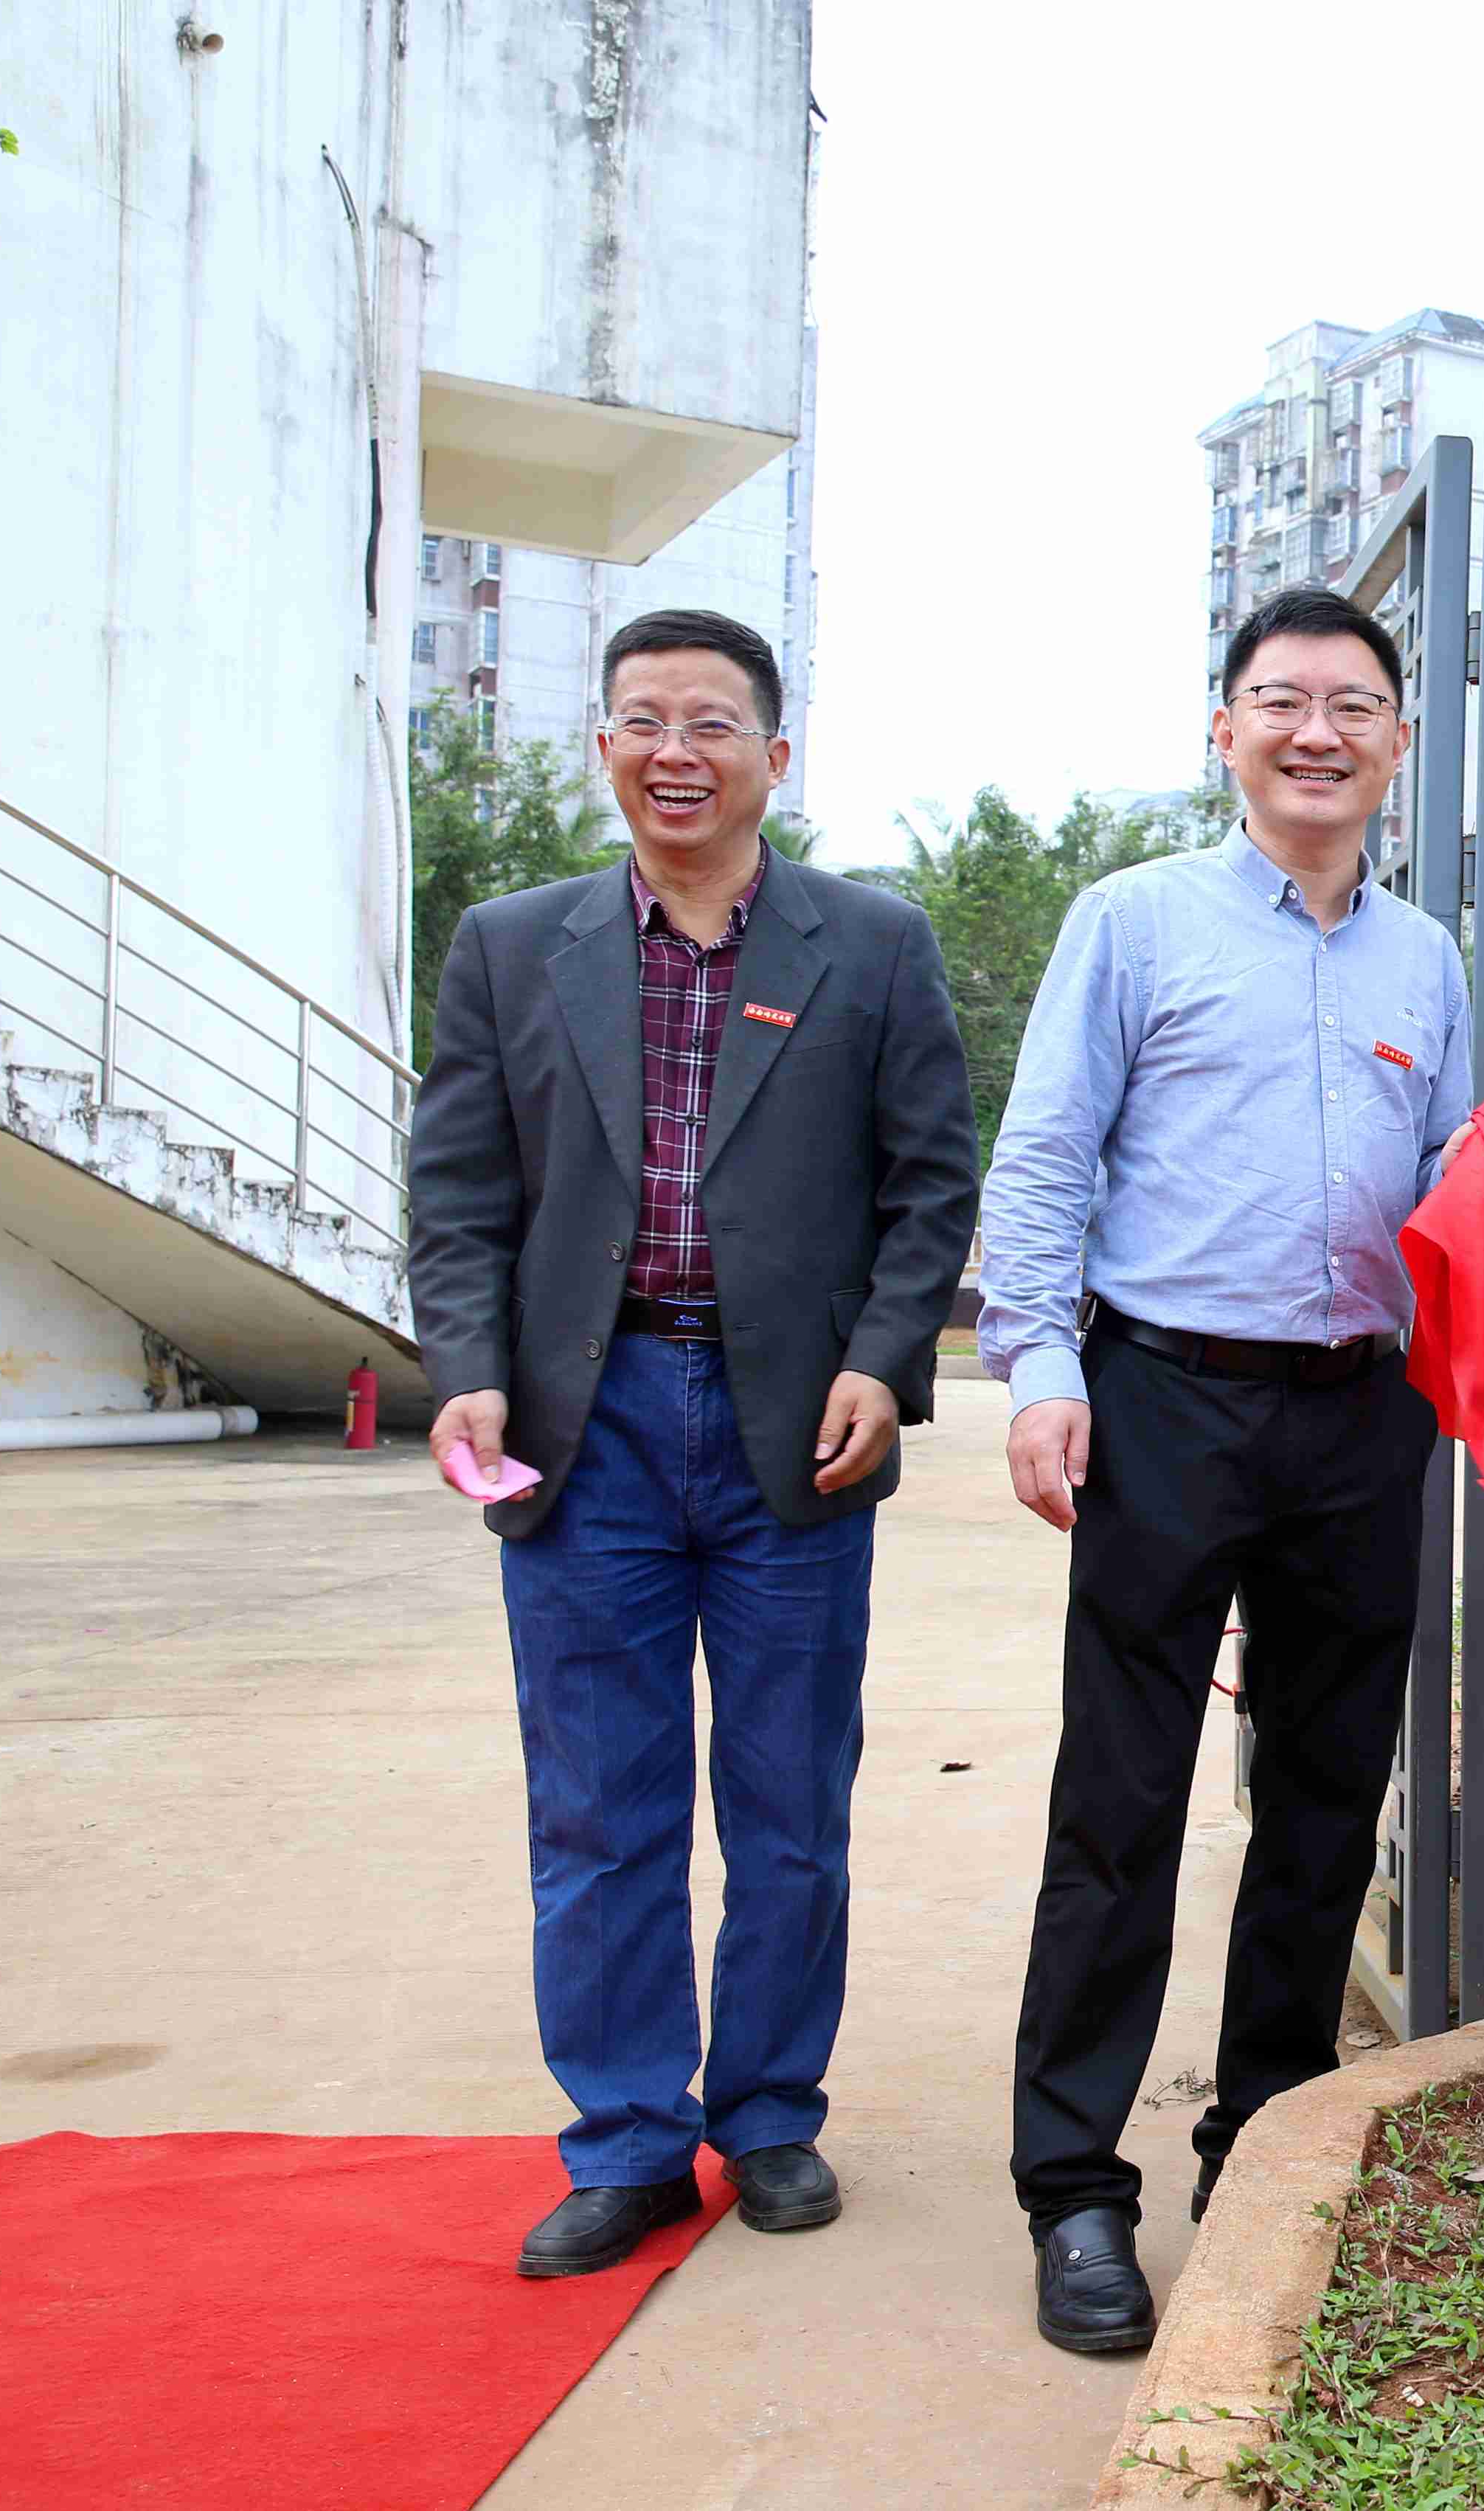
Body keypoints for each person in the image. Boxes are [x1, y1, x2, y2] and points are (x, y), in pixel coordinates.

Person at [406, 607, 978, 2276]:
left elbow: (928, 1180)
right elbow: (459, 1192)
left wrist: (889, 1359)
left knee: (791, 1791)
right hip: (587, 1429)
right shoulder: (515, 945)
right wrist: (469, 1365)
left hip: (797, 1427)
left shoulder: (869, 943)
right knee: (599, 1799)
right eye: (644, 718)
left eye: (713, 722)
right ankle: (632, 2138)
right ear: (602, 747)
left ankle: (772, 2115)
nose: (677, 750)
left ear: (773, 757)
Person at [979, 584, 1474, 2354]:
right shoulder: (1134, 922)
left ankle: (1264, 2143)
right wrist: (1042, 1367)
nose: (1317, 731)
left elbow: (1457, 1200)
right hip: (1164, 1397)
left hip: (1360, 1416)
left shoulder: (1426, 958)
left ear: (1396, 746)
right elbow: (1043, 1158)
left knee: (1327, 1797)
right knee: (1117, 1803)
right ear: (1227, 729)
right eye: (1282, 699)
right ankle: (1071, 2188)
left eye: (1353, 705)